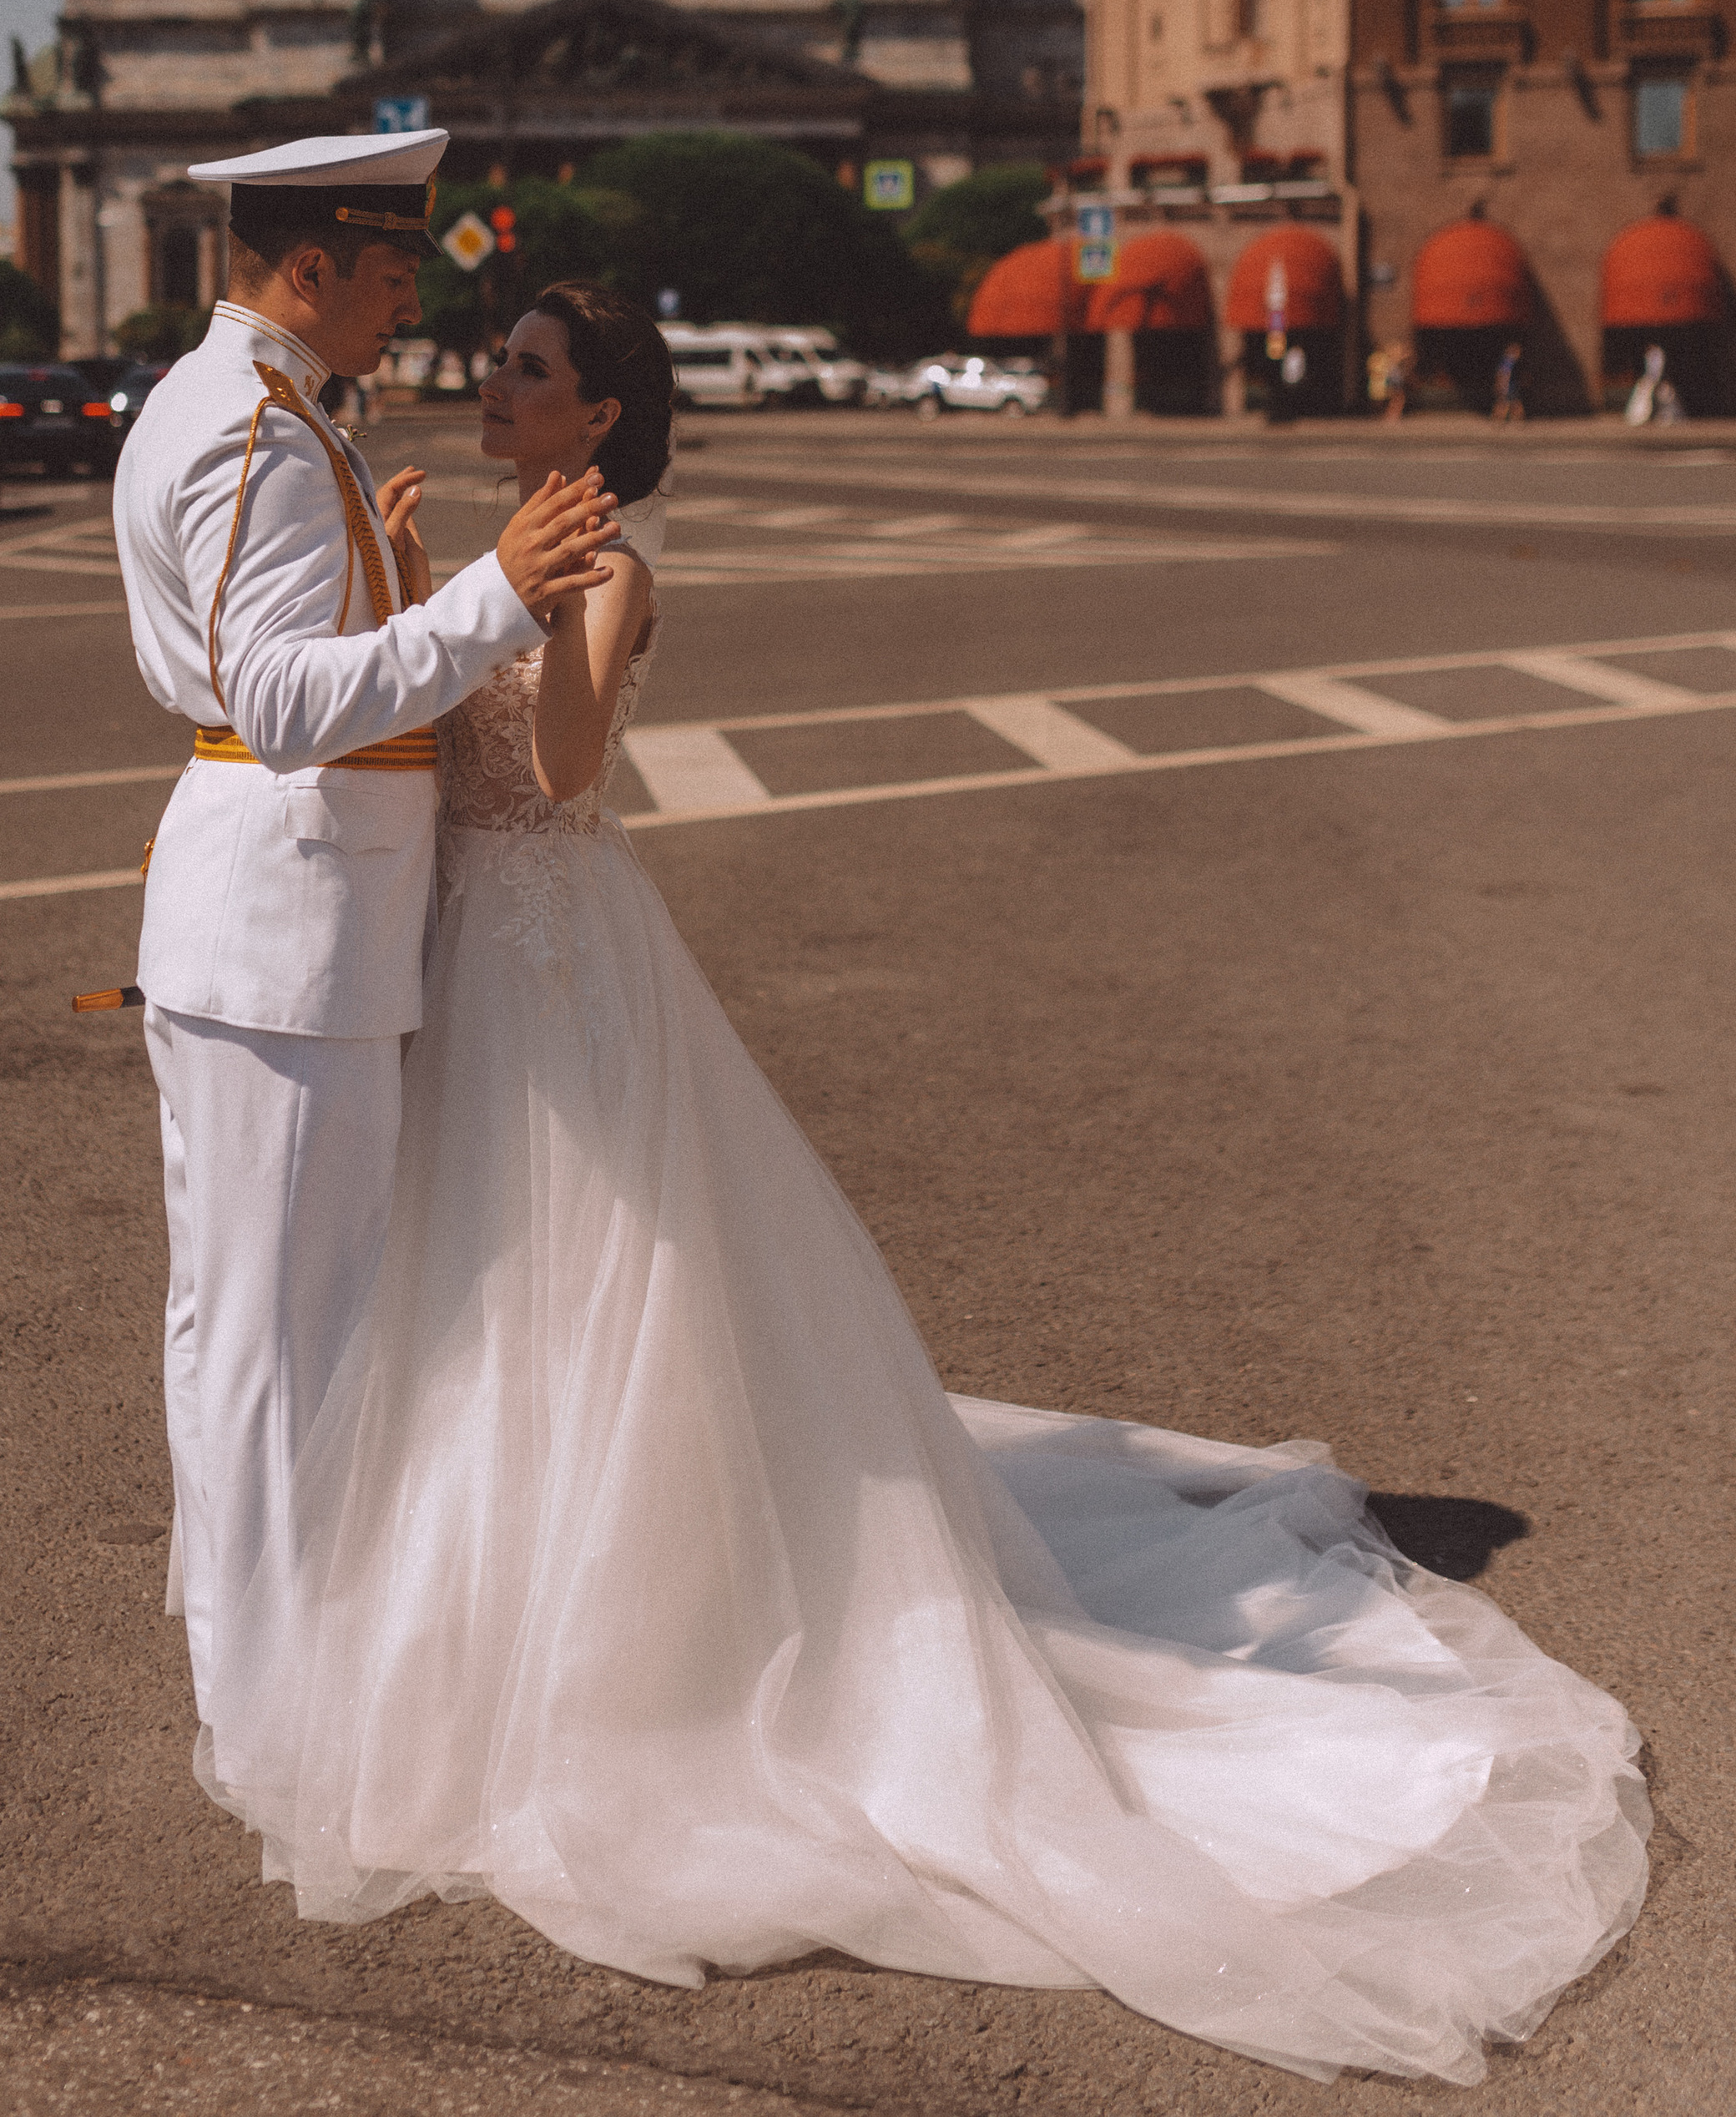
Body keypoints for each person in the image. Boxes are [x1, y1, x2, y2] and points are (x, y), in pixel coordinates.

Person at [184, 277, 1648, 2090]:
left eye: (528, 372)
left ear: (597, 420)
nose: (492, 385)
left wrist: (513, 594)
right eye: (496, 363)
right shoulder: (512, 537)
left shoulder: (613, 562)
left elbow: (553, 766)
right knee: (473, 1293)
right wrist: (430, 587)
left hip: (555, 968)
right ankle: (463, 1626)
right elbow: (423, 718)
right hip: (475, 962)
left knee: (580, 1286)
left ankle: (619, 1672)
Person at [111, 134, 621, 1742]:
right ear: (312, 266)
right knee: (287, 1329)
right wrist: (486, 598)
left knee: (229, 1311)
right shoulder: (259, 436)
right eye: (393, 271)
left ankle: (229, 1616)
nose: (412, 300)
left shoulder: (222, 403)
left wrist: (409, 587)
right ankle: (273, 1700)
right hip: (290, 928)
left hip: (253, 920)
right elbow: (275, 705)